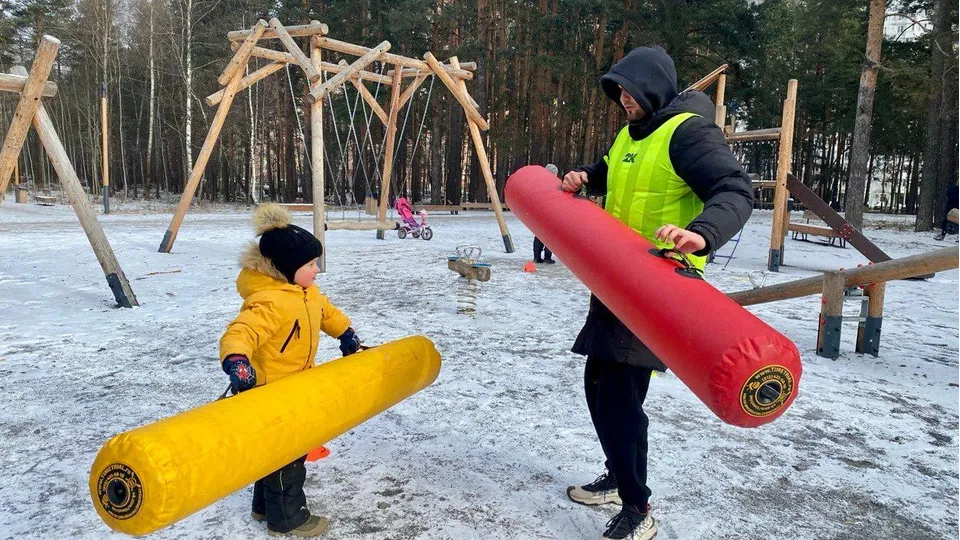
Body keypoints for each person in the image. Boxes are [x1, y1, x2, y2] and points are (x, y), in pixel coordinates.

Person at [560, 47, 753, 540]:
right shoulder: (630, 133)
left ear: (653, 86)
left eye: (629, 90)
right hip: (614, 282)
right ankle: (618, 476)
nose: (622, 99)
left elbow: (735, 189)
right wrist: (585, 175)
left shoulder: (688, 132)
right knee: (597, 389)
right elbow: (613, 171)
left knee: (619, 400)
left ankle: (637, 505)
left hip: (660, 287)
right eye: (617, 92)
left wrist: (703, 233)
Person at [219, 203, 362, 537]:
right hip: (272, 390)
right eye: (310, 264)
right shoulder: (270, 300)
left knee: (270, 453)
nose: (316, 269)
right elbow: (241, 332)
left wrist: (346, 334)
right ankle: (288, 520)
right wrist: (237, 361)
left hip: (295, 385)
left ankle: (262, 508)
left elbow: (327, 313)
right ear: (286, 267)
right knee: (288, 454)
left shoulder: (306, 292)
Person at [534, 164, 560, 264]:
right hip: (551, 213)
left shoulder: (539, 183)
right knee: (550, 236)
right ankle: (547, 257)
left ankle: (536, 257)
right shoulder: (555, 184)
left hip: (539, 213)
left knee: (539, 234)